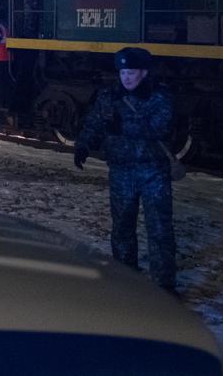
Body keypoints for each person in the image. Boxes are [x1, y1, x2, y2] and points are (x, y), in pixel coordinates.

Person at [74, 47, 178, 293]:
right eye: (122, 73)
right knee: (122, 227)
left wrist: (120, 126)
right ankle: (125, 278)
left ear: (143, 73)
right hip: (121, 171)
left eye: (131, 72)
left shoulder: (159, 97)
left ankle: (164, 285)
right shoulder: (109, 96)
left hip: (153, 172)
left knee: (160, 229)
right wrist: (83, 145)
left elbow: (160, 128)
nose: (126, 78)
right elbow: (95, 121)